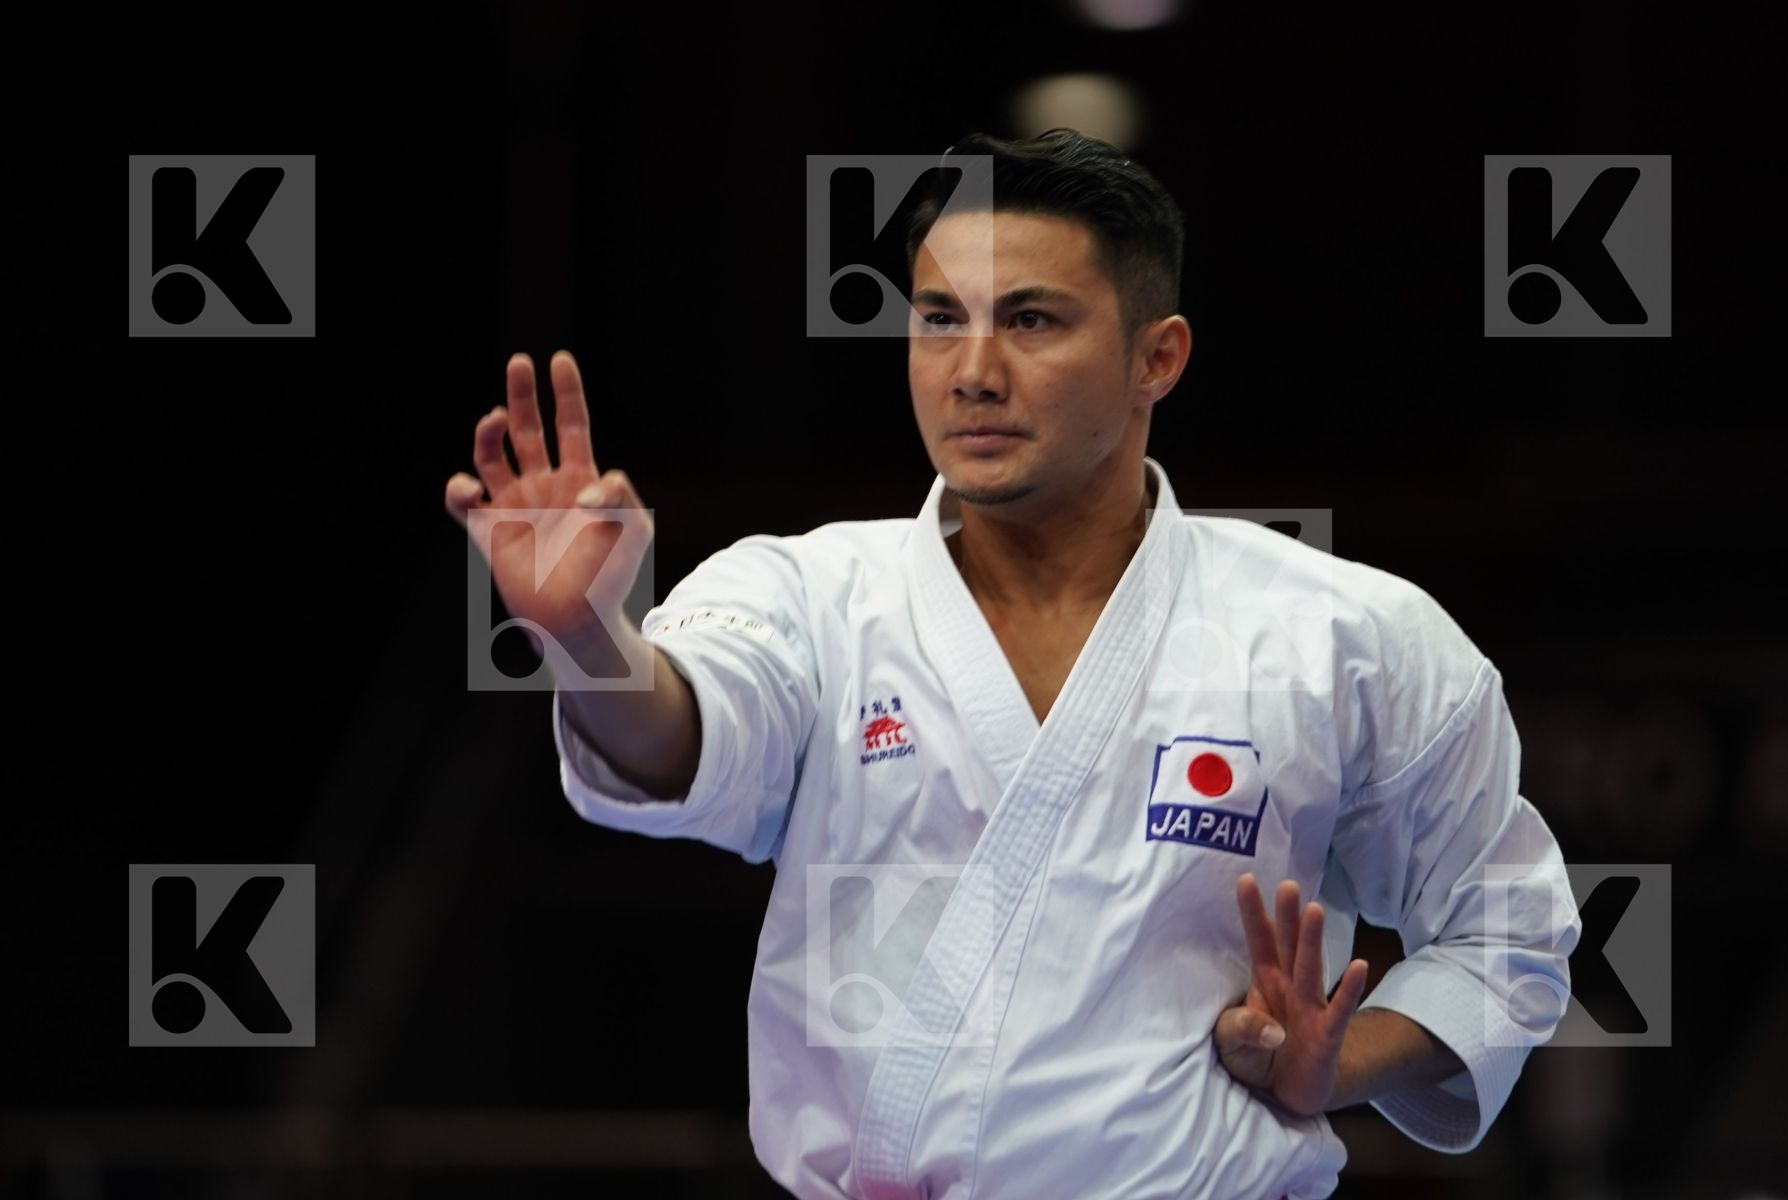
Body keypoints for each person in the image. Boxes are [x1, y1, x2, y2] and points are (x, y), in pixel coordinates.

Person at [445, 129, 1581, 1200]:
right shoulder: (808, 595)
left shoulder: (1342, 635)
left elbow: (1511, 932)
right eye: (939, 319)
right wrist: (589, 636)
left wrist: (1334, 1067)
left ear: (1158, 357)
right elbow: (687, 737)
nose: (971, 371)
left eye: (1031, 321)